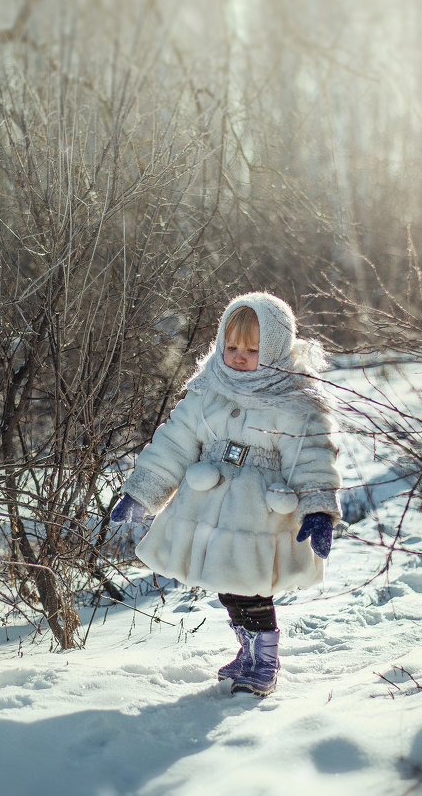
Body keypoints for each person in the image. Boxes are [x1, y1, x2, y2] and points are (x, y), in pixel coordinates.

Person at [110, 292, 342, 696]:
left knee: (250, 587)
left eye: (252, 350)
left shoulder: (295, 402)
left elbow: (313, 457)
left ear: (276, 348)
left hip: (258, 515)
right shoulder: (207, 390)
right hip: (209, 509)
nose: (238, 357)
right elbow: (174, 443)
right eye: (231, 347)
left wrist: (318, 508)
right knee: (227, 586)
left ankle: (264, 661)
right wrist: (143, 491)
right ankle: (247, 650)